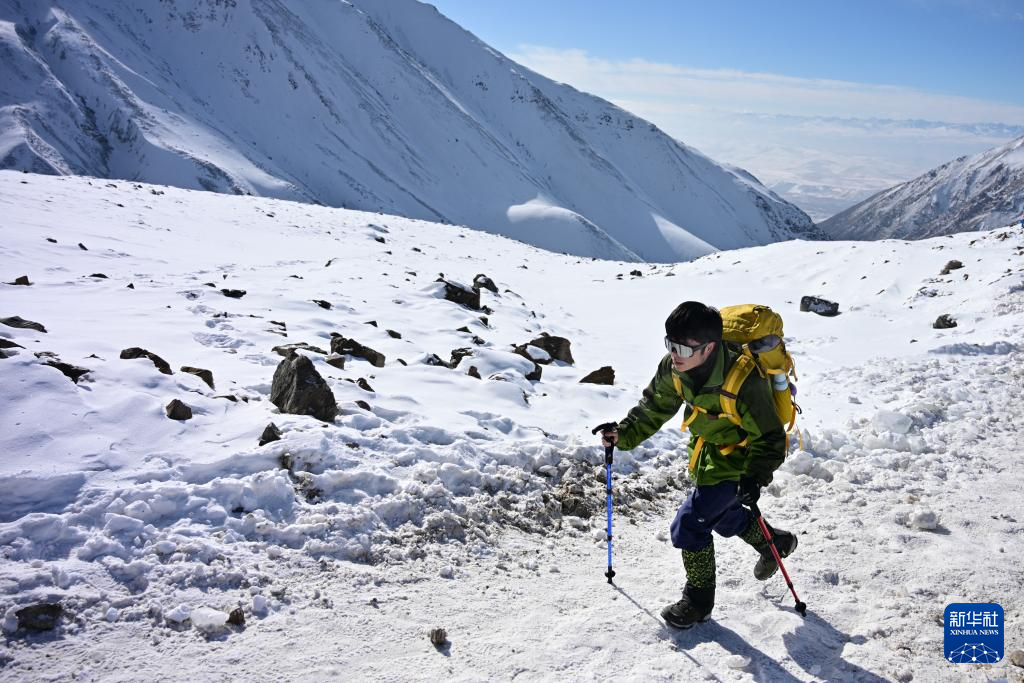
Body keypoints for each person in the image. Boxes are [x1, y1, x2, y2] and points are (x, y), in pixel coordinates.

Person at [600, 301, 797, 629]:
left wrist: (754, 477)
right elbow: (654, 406)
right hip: (708, 453)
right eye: (669, 343)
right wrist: (623, 433)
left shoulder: (744, 381)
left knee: (691, 524)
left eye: (682, 348)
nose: (674, 354)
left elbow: (770, 438)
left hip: (743, 458)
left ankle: (698, 602)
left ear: (709, 347)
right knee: (722, 516)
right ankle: (774, 543)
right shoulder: (674, 368)